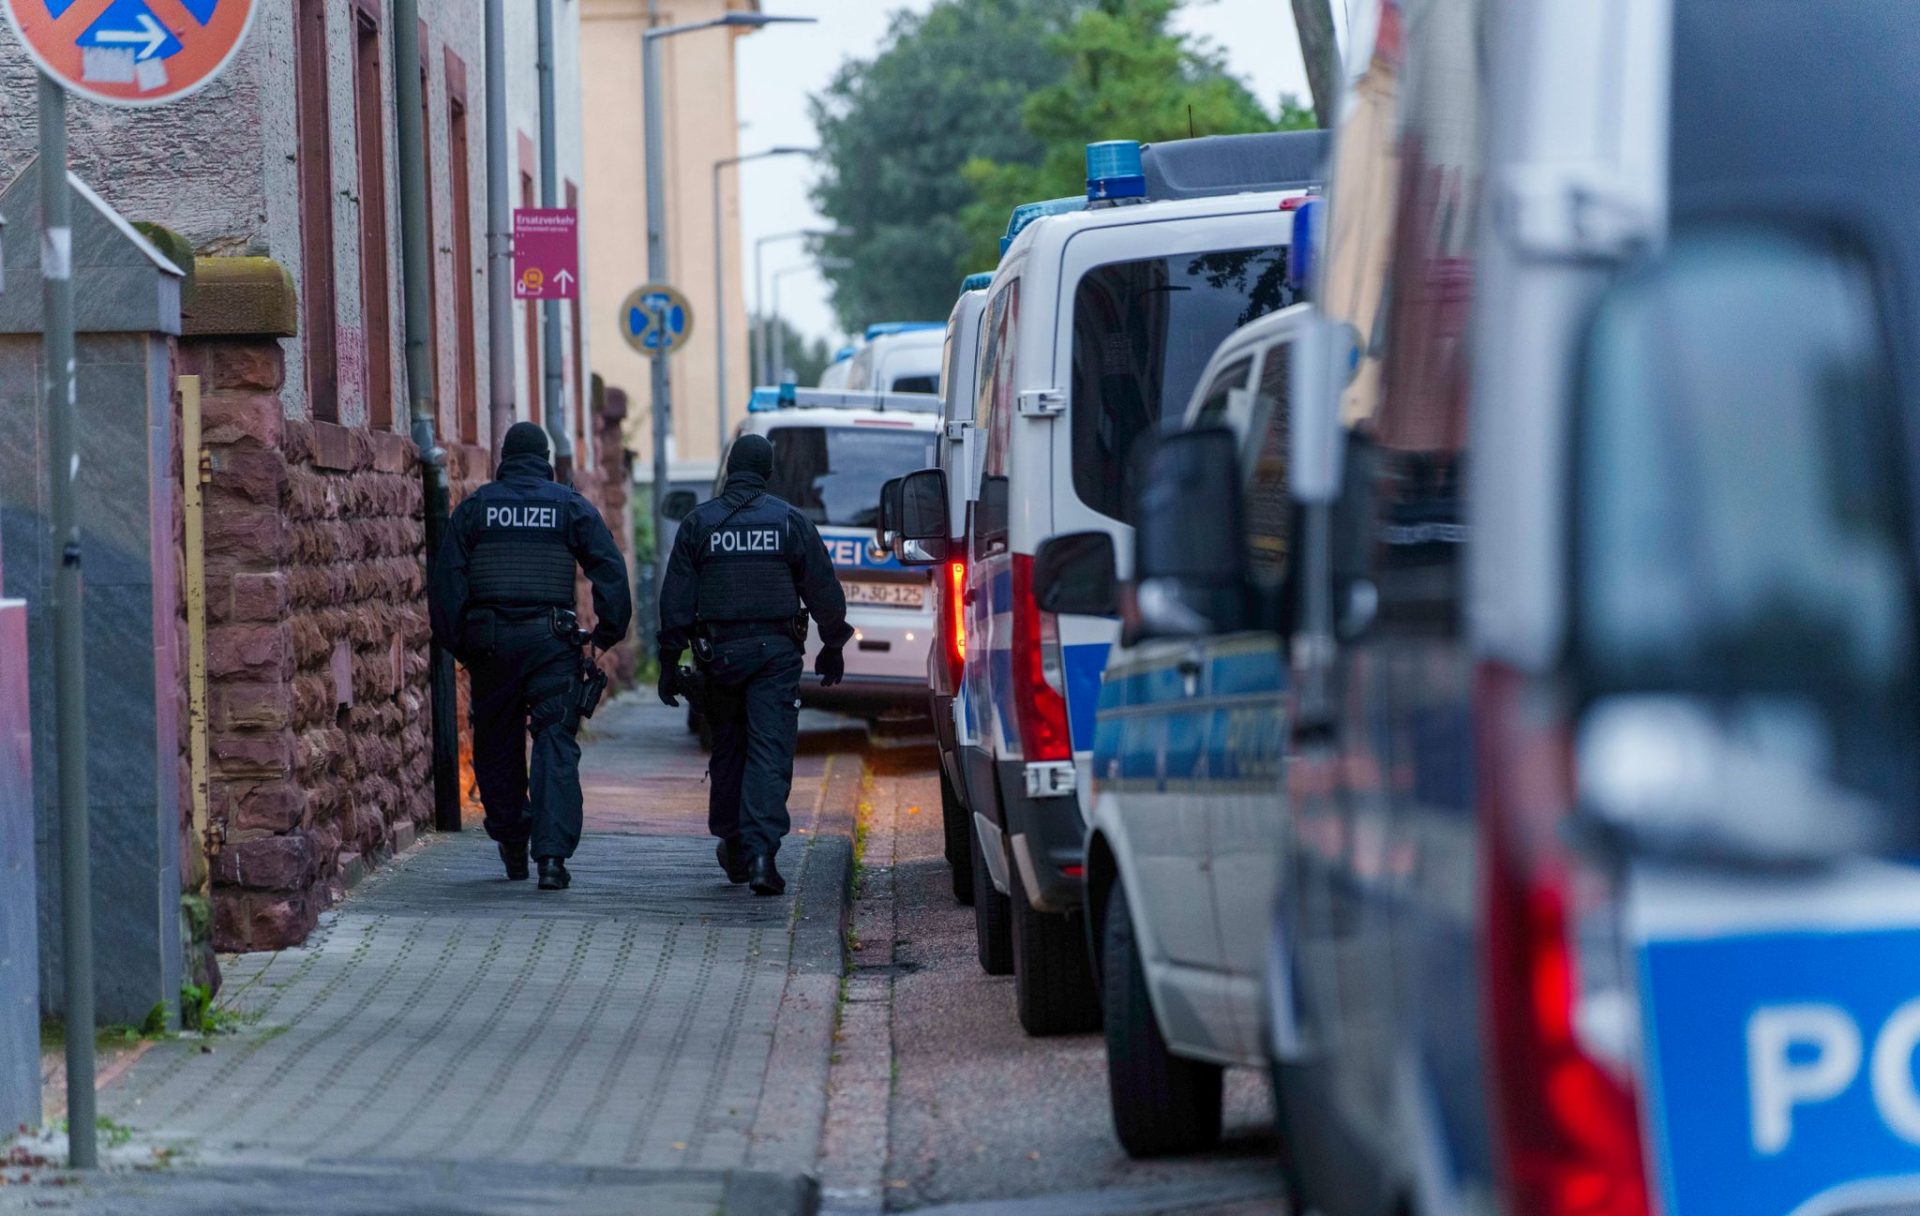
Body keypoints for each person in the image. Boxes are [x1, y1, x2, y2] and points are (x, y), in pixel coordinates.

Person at [429, 422, 632, 890]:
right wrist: (606, 633)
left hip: (492, 647)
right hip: (551, 646)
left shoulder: (477, 508)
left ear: (505, 457)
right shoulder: (569, 506)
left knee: (496, 747)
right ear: (545, 458)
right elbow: (609, 567)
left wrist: (462, 643)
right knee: (555, 744)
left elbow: (446, 585)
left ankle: (513, 845)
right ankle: (552, 860)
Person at [656, 433, 850, 896]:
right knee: (769, 751)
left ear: (728, 471)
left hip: (718, 656)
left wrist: (668, 661)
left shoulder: (699, 523)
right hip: (776, 656)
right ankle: (762, 856)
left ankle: (733, 842)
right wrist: (833, 641)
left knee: (729, 748)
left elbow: (676, 601)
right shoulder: (789, 521)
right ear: (767, 474)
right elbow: (822, 587)